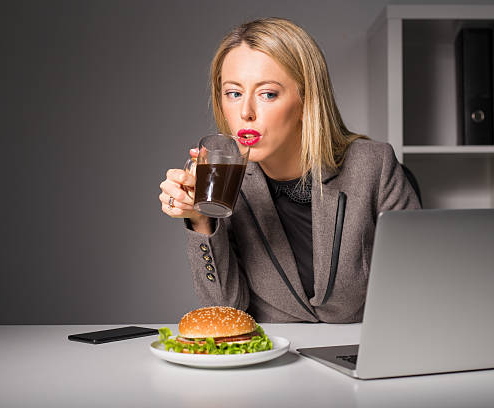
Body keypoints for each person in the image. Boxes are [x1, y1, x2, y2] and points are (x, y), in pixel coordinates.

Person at [159, 18, 420, 323]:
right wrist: (201, 220)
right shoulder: (227, 183)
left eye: (267, 94)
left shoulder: (373, 165)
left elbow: (418, 288)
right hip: (273, 361)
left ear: (306, 99)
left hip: (361, 353)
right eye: (233, 93)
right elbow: (226, 311)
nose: (246, 113)